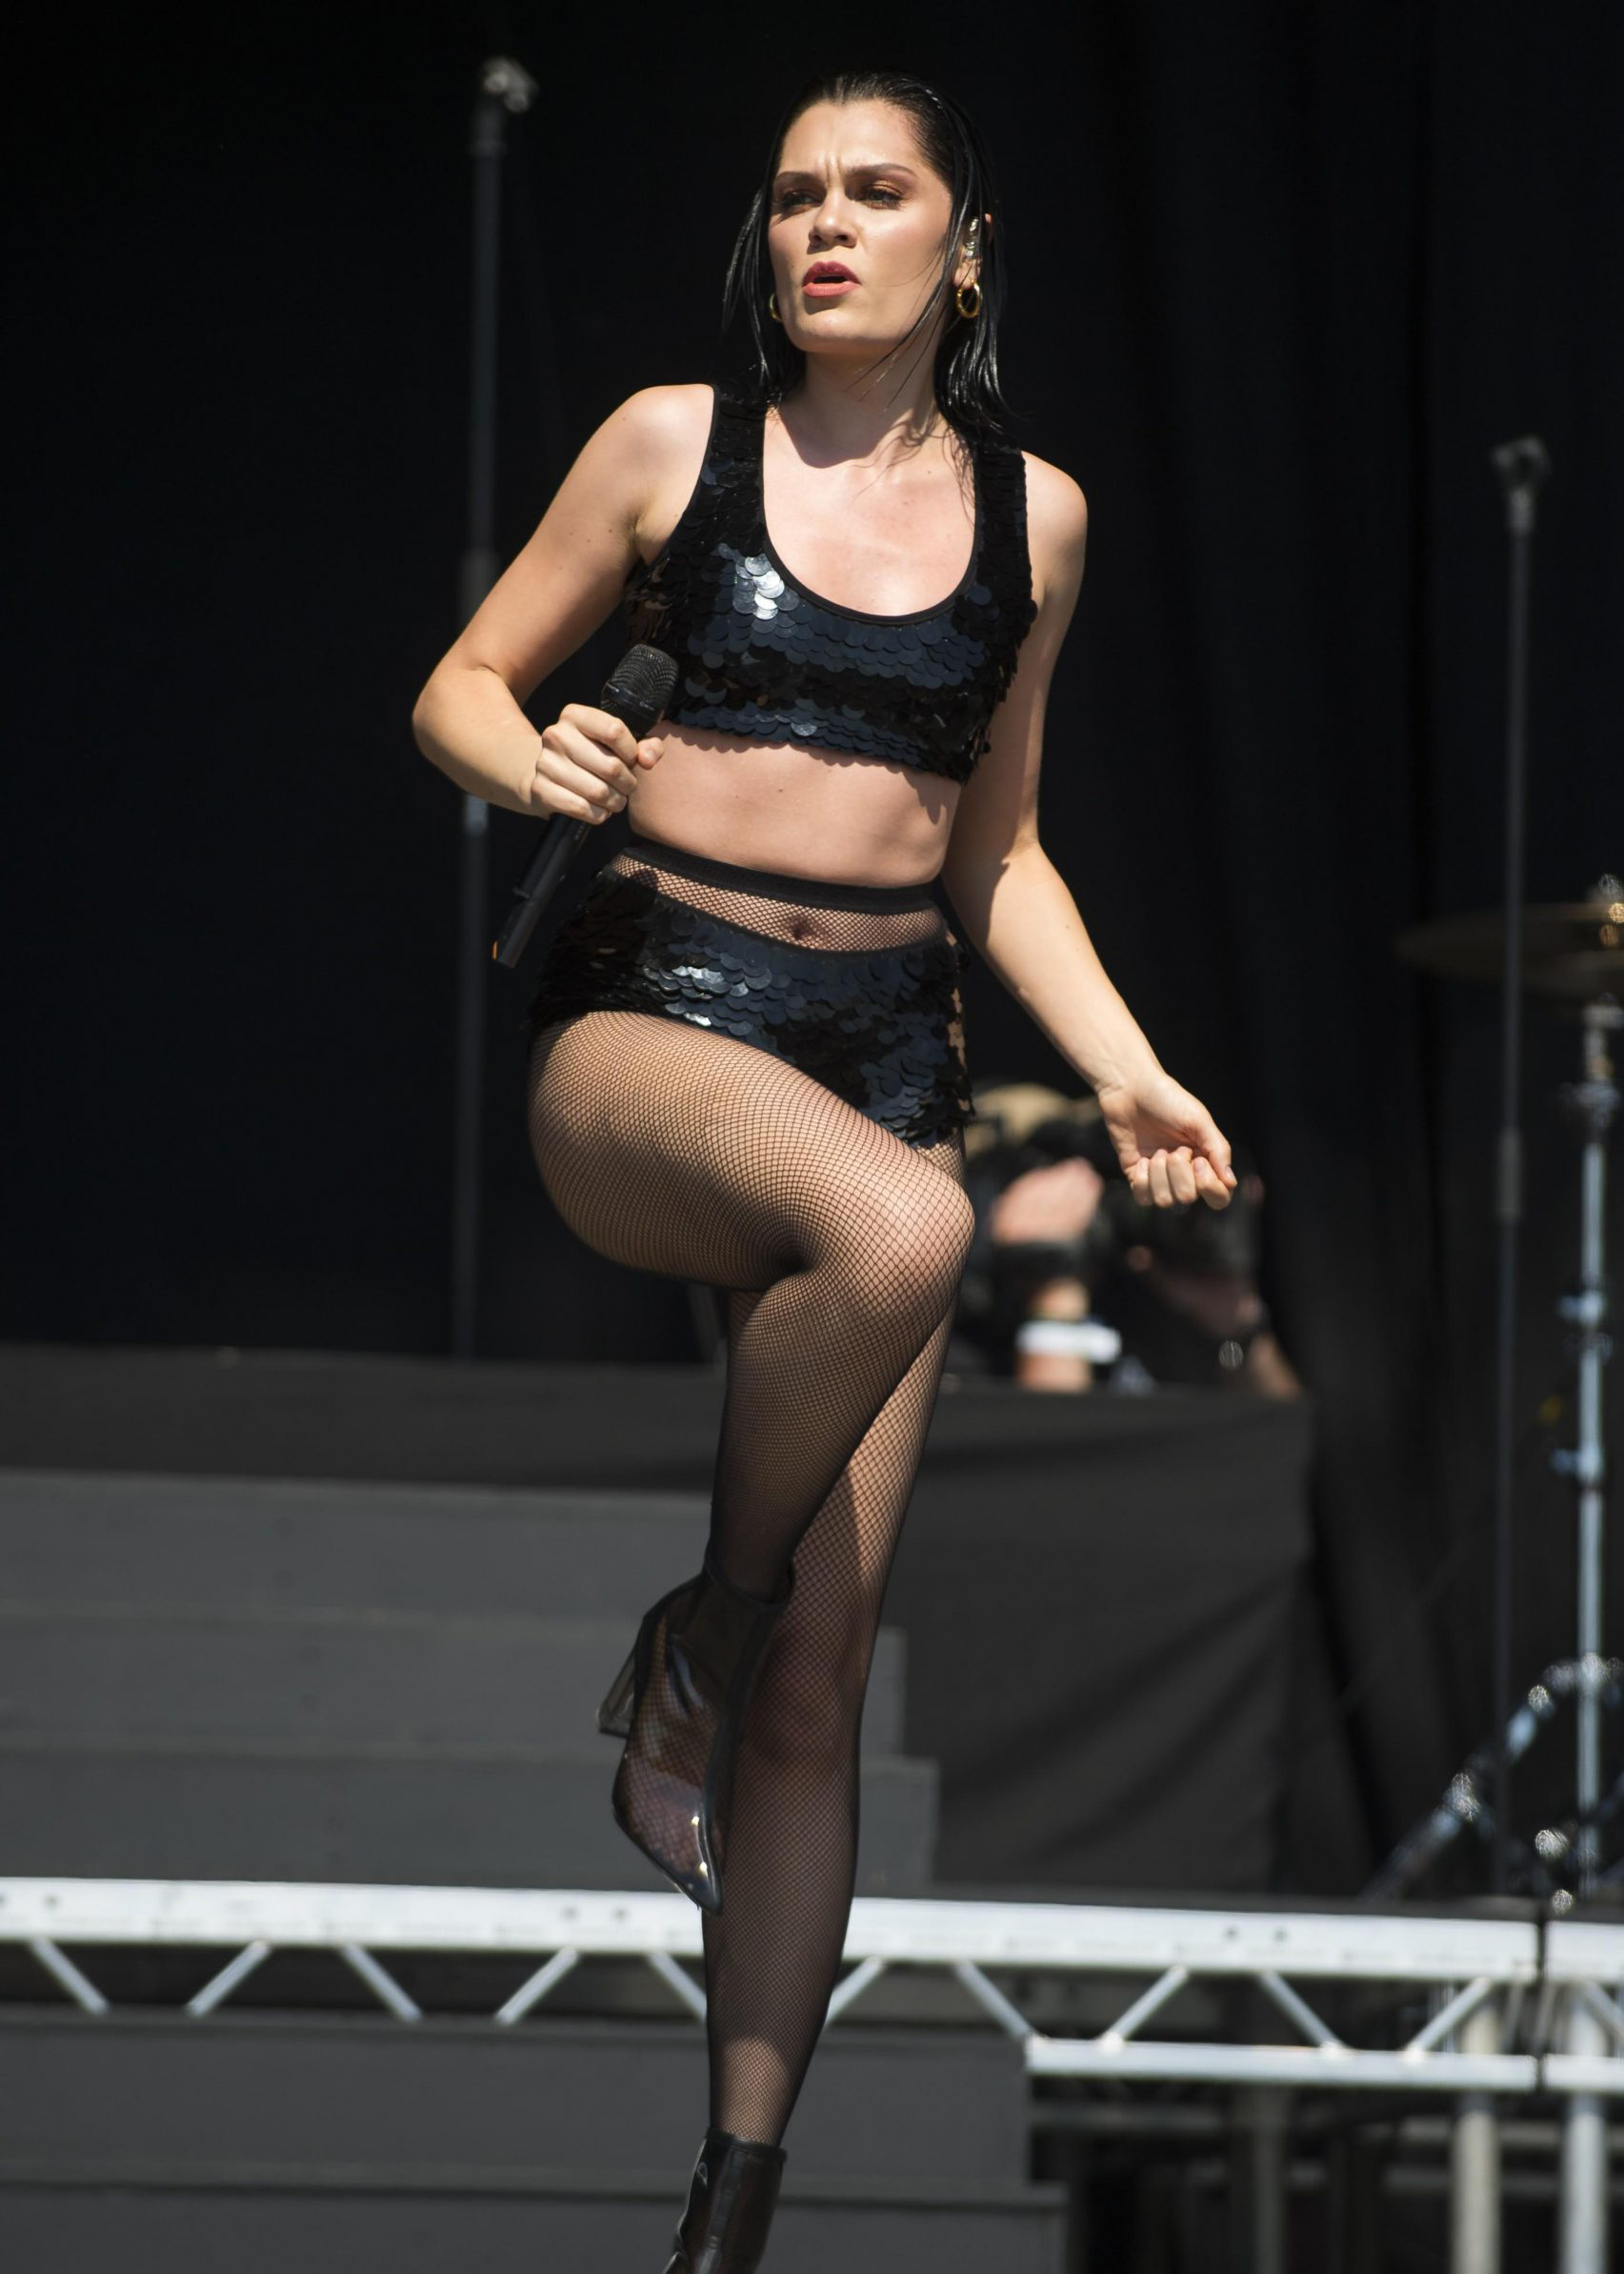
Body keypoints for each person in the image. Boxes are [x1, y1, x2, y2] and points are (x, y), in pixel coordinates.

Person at [411, 66, 1236, 2274]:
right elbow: (460, 685)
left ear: (964, 249)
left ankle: (731, 2208)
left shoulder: (1039, 520)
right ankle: (697, 1629)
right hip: (652, 1012)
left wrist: (1131, 1073)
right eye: (795, 197)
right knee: (908, 1223)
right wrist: (529, 752)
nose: (826, 229)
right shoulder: (668, 444)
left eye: (875, 194)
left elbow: (1002, 851)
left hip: (888, 1036)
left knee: (823, 1673)